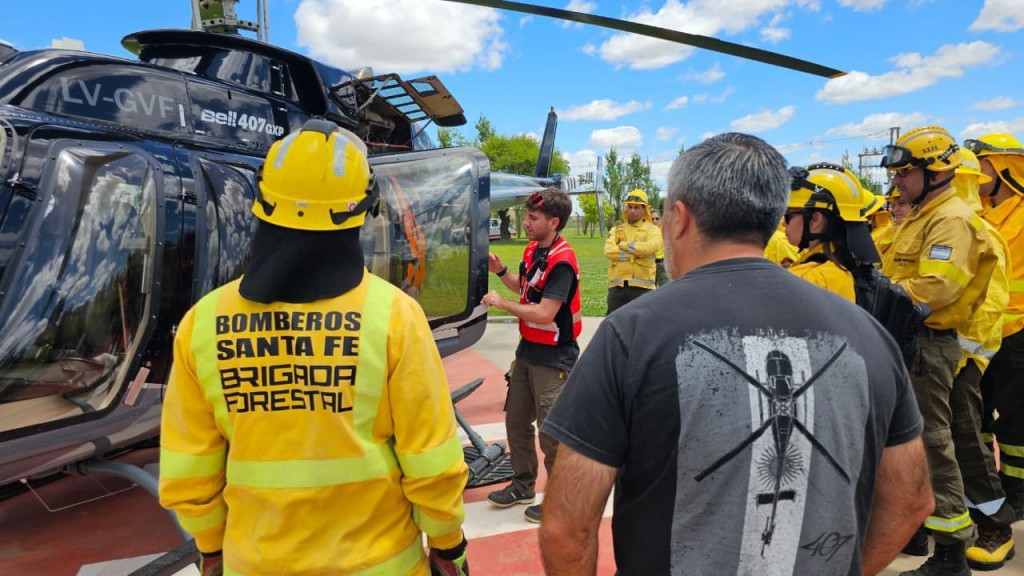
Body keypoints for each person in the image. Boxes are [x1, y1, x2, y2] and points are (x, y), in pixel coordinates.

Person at [539, 132, 932, 576]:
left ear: (679, 219)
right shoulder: (868, 335)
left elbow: (565, 527)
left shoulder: (631, 333)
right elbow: (911, 500)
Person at [159, 120, 470, 576]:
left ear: (262, 204)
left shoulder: (203, 324)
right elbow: (431, 463)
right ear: (363, 211)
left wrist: (211, 547)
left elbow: (189, 474)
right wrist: (447, 545)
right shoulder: (394, 317)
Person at [880, 125, 998, 576]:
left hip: (929, 346)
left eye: (905, 173)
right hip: (910, 342)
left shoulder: (950, 219)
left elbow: (939, 286)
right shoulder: (921, 213)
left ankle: (951, 553)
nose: (896, 182)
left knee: (931, 444)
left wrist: (879, 296)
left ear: (935, 171)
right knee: (908, 442)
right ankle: (917, 529)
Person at [481, 187, 581, 524]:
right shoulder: (532, 250)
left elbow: (544, 314)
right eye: (526, 216)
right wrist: (500, 270)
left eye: (533, 218)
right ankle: (523, 485)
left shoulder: (562, 260)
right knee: (516, 421)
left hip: (554, 359)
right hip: (527, 352)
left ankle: (560, 500)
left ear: (553, 222)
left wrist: (502, 305)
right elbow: (524, 289)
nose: (526, 222)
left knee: (551, 433)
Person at [946, 146, 1017, 570]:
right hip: (925, 359)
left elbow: (991, 307)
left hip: (959, 361)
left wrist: (961, 358)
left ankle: (996, 525)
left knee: (967, 440)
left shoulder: (980, 232)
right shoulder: (930, 227)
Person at [964, 132, 1024, 525]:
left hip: (1018, 331)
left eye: (982, 164)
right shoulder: (980, 214)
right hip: (983, 334)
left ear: (1004, 167)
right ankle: (984, 486)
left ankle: (1018, 491)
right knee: (977, 416)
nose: (977, 172)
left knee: (1017, 418)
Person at [784, 163, 884, 302]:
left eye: (788, 214)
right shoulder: (846, 263)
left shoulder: (811, 279)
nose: (783, 222)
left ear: (815, 220)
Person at [603, 189, 662, 312]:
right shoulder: (616, 229)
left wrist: (622, 244)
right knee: (615, 328)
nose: (632, 211)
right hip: (617, 289)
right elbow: (608, 251)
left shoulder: (652, 230)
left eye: (637, 207)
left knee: (643, 328)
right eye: (630, 207)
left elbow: (650, 247)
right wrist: (633, 255)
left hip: (643, 289)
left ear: (645, 209)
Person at [651, 209, 671, 287]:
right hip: (649, 265)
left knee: (666, 289)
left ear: (660, 219)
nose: (654, 221)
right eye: (652, 219)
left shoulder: (665, 230)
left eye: (656, 218)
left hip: (662, 264)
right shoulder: (645, 232)